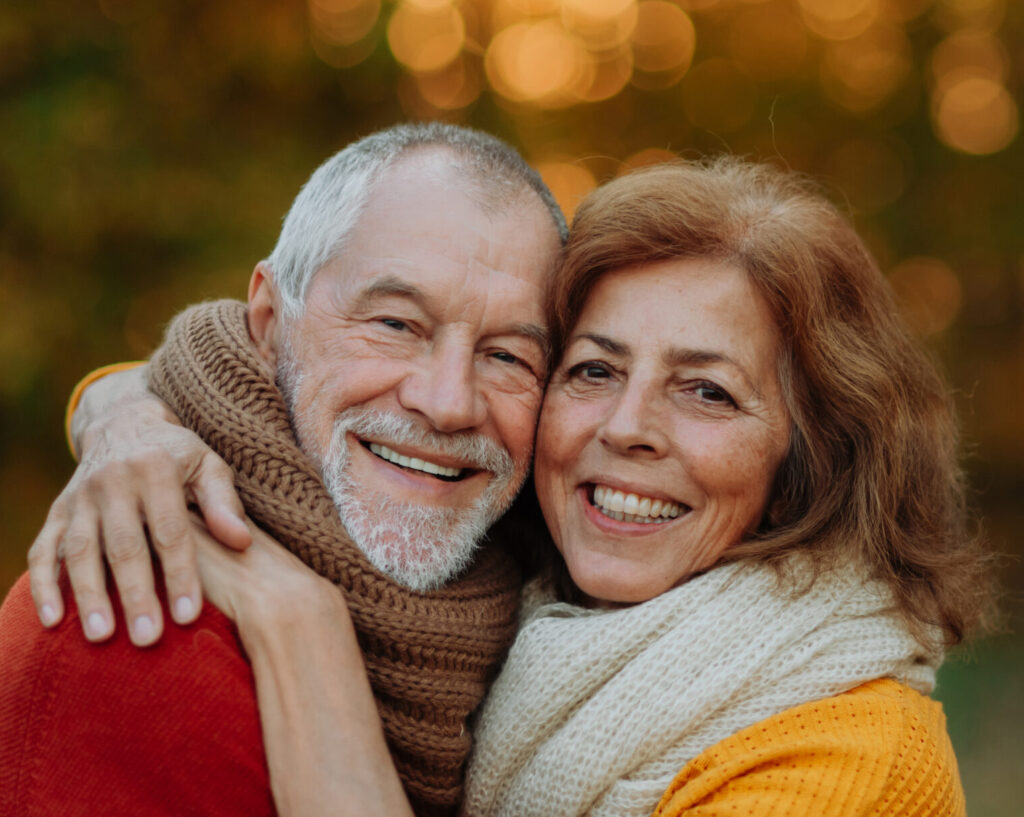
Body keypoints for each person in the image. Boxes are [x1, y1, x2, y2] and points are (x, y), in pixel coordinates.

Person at [18, 157, 988, 816]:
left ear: (804, 463)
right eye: (593, 370)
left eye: (705, 391)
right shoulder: (503, 587)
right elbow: (271, 366)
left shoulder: (852, 762)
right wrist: (122, 415)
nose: (623, 429)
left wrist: (295, 623)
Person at [0, 121, 567, 817]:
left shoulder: (547, 622)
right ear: (269, 321)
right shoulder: (121, 630)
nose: (449, 403)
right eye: (395, 324)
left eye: (508, 356)